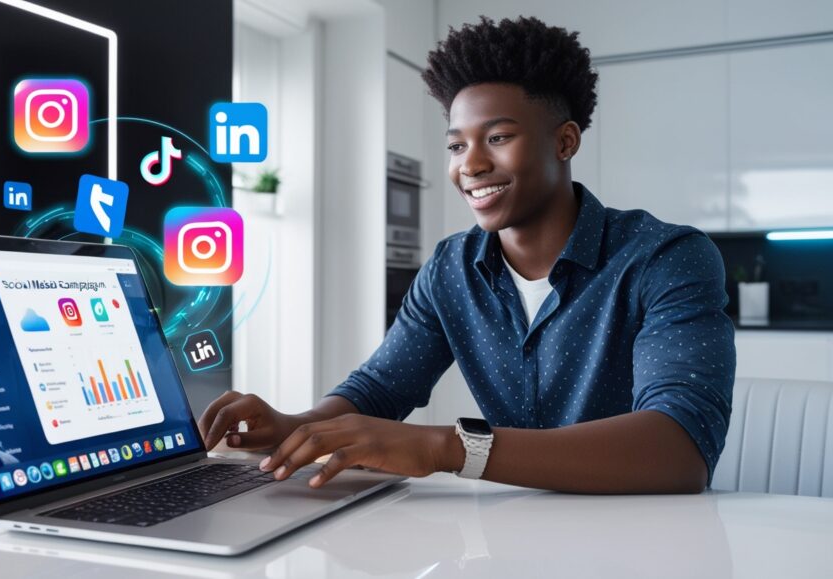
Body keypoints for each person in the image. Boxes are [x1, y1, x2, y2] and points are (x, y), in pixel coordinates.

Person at [198, 15, 735, 493]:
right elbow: (382, 388)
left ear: (565, 142)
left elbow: (679, 449)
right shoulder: (451, 268)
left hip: (646, 541)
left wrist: (445, 448)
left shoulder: (666, 257)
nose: (470, 165)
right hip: (511, 536)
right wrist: (298, 426)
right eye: (456, 145)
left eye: (497, 137)